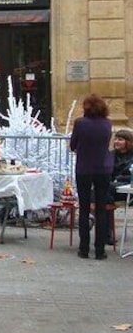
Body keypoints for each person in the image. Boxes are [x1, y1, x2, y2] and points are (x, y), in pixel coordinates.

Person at [69, 94, 112, 260]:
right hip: (103, 169)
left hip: (84, 168)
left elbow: (73, 145)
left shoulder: (80, 123)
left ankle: (84, 248)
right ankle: (100, 250)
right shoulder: (107, 123)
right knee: (101, 209)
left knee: (85, 208)